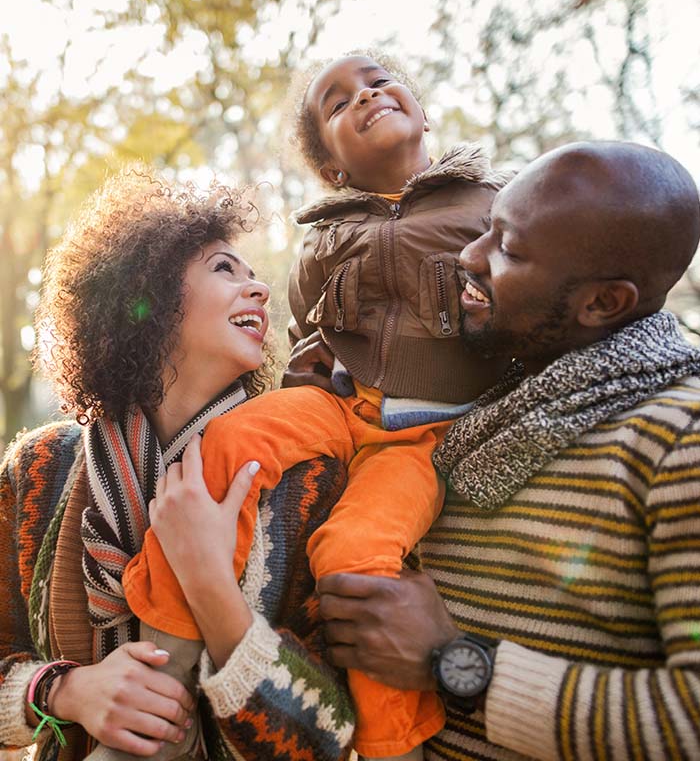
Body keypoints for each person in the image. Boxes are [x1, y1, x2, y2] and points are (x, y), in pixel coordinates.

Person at [121, 53, 510, 761]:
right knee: (234, 439)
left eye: (378, 83)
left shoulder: (494, 202)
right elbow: (308, 336)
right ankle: (162, 679)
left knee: (357, 557)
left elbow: (532, 301)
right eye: (338, 103)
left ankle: (396, 746)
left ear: (420, 112)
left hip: (429, 433)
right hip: (336, 403)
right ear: (332, 167)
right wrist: (301, 392)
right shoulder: (323, 238)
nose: (367, 96)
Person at [315, 140, 700, 761]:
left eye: (508, 249)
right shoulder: (480, 401)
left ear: (603, 302)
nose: (469, 255)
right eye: (487, 227)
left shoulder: (679, 439)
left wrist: (457, 664)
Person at [0, 169, 355, 761]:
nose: (260, 289)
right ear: (150, 300)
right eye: (224, 268)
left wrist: (208, 583)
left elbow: (334, 737)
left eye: (254, 274)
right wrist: (67, 691)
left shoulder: (306, 479)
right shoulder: (39, 470)